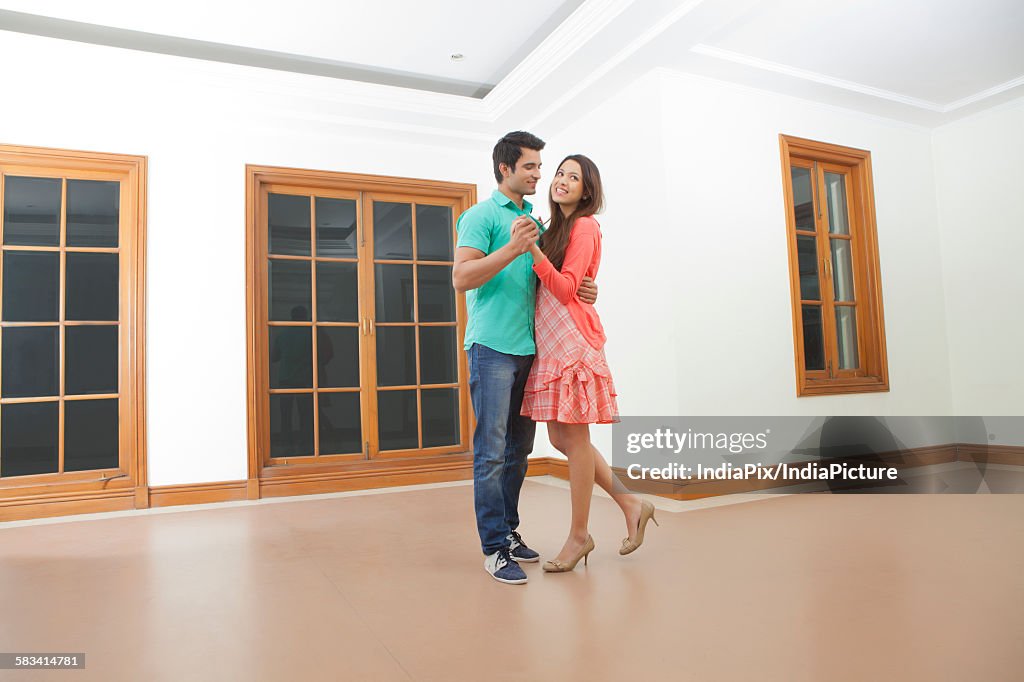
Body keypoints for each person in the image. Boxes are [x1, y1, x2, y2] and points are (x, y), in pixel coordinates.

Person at [453, 132, 598, 585]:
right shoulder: (480, 216)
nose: (540, 174)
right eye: (532, 167)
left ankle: (510, 533)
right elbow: (461, 278)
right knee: (492, 451)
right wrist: (512, 248)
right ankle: (494, 548)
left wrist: (588, 289)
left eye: (542, 167)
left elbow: (554, 282)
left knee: (518, 451)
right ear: (505, 169)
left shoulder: (535, 221)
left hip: (530, 350)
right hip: (492, 347)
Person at [519, 154, 656, 573]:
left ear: (587, 190)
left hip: (573, 342)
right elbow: (569, 283)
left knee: (573, 441)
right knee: (564, 441)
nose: (561, 180)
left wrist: (532, 251)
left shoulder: (585, 226)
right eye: (559, 173)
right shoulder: (553, 227)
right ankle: (630, 502)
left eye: (572, 177)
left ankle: (579, 536)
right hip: (553, 341)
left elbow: (564, 290)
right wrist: (537, 246)